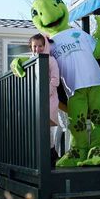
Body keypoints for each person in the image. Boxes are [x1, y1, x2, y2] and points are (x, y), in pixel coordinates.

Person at [29, 33, 61, 166]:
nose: (38, 49)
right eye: (34, 46)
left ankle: (52, 157)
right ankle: (45, 157)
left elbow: (55, 80)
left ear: (45, 45)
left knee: (48, 129)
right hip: (36, 99)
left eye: (40, 46)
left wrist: (45, 92)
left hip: (49, 98)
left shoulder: (50, 60)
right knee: (37, 129)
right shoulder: (31, 60)